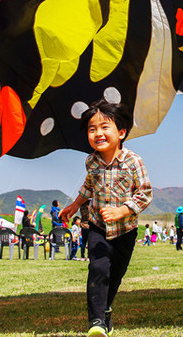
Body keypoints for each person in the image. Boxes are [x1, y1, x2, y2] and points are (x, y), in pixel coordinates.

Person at [58, 99, 152, 337]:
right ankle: (97, 322)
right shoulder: (91, 161)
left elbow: (145, 194)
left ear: (121, 132)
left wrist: (123, 210)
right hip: (98, 226)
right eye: (92, 129)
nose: (98, 133)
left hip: (126, 230)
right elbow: (89, 187)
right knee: (98, 268)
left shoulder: (133, 161)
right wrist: (74, 205)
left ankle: (106, 308)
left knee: (116, 273)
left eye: (104, 127)